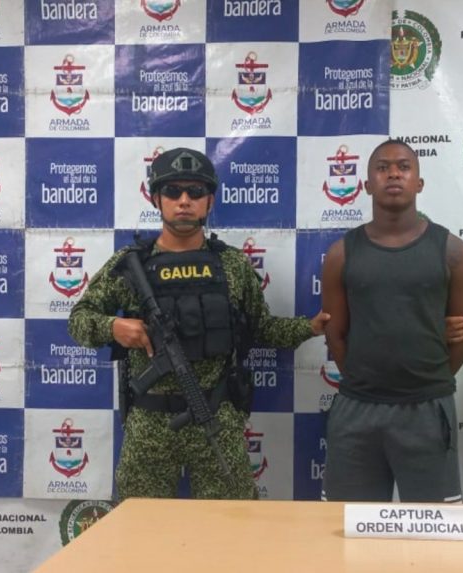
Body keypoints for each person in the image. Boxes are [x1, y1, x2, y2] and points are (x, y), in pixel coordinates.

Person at [68, 147, 328, 500]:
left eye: (196, 192)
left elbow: (261, 329)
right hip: (150, 426)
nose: (184, 201)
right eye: (173, 192)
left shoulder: (232, 266)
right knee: (139, 533)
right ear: (156, 198)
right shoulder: (131, 266)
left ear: (210, 201)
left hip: (216, 420)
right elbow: (79, 320)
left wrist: (309, 328)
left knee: (232, 529)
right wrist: (113, 326)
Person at [320, 139, 463, 503]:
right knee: (347, 529)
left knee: (433, 532)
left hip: (426, 407)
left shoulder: (453, 251)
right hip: (357, 408)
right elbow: (337, 338)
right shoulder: (342, 253)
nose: (394, 173)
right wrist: (371, 379)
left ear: (419, 183)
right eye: (383, 167)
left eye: (404, 167)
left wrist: (424, 377)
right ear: (366, 184)